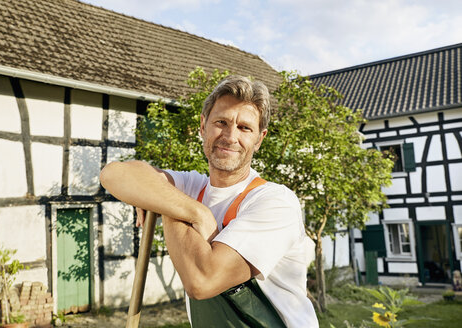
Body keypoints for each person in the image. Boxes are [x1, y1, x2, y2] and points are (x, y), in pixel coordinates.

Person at [100, 75, 318, 327]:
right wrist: (197, 213)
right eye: (221, 122)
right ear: (203, 126)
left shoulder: (274, 202)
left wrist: (160, 200)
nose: (230, 136)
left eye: (244, 128)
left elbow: (203, 280)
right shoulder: (193, 187)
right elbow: (113, 174)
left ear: (259, 139)